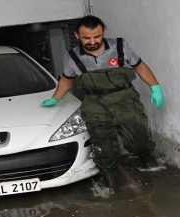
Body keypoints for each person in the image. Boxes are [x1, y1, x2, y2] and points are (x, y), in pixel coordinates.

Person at [40, 15, 164, 192]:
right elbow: (67, 79)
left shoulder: (120, 46)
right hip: (96, 105)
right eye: (86, 38)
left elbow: (139, 66)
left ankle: (149, 163)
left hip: (126, 101)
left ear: (103, 32)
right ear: (77, 36)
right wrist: (56, 98)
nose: (92, 41)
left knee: (140, 141)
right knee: (103, 147)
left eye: (97, 36)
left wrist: (155, 87)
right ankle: (110, 185)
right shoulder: (72, 57)